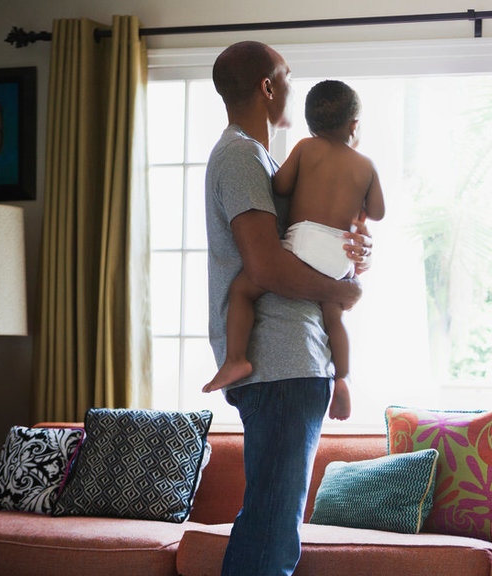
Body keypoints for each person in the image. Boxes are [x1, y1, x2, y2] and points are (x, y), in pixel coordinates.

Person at [204, 40, 372, 576]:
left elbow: (298, 248)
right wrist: (340, 292)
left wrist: (352, 254)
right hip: (280, 361)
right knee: (272, 534)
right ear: (267, 87)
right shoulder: (240, 155)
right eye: (288, 76)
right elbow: (267, 268)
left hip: (294, 361)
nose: (293, 87)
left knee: (275, 527)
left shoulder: (267, 160)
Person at [204, 79, 385, 423]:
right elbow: (376, 212)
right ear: (354, 125)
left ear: (312, 123)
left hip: (305, 242)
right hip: (339, 253)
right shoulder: (366, 165)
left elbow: (280, 186)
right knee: (334, 315)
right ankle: (343, 379)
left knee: (242, 290)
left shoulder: (305, 148)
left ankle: (236, 358)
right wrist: (358, 220)